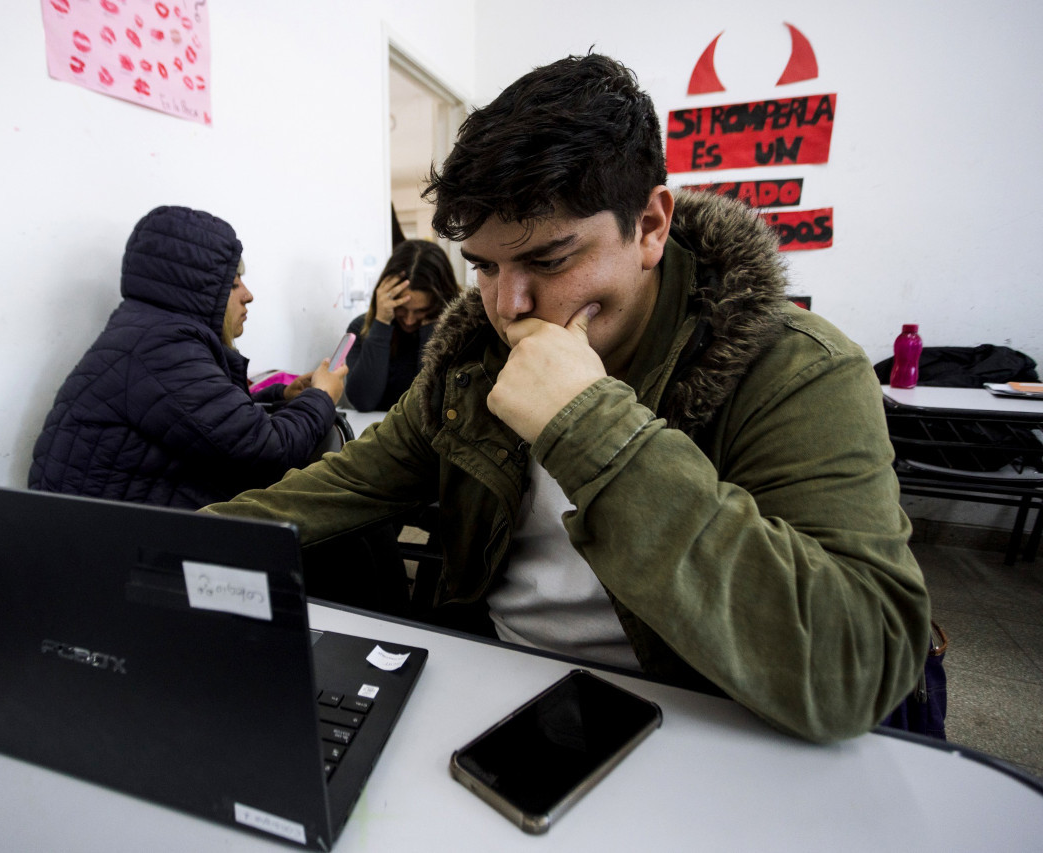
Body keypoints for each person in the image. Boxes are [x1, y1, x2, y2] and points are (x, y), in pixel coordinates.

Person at [204, 54, 930, 742]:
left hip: (704, 717)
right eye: (484, 266)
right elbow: (345, 483)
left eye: (550, 260)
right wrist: (161, 547)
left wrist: (588, 423)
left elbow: (855, 667)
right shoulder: (471, 363)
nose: (509, 304)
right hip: (499, 684)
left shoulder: (795, 367)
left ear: (650, 226)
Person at [28, 205, 347, 510]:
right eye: (234, 283)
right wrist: (322, 396)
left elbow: (208, 422)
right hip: (117, 550)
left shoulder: (146, 335)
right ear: (203, 293)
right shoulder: (161, 348)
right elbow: (270, 450)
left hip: (112, 527)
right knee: (345, 518)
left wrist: (280, 395)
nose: (248, 295)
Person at [343, 239, 463, 411]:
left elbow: (433, 403)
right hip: (380, 433)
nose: (409, 320)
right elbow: (363, 401)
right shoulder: (361, 328)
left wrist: (433, 328)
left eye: (421, 310)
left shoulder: (463, 331)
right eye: (401, 308)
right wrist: (381, 323)